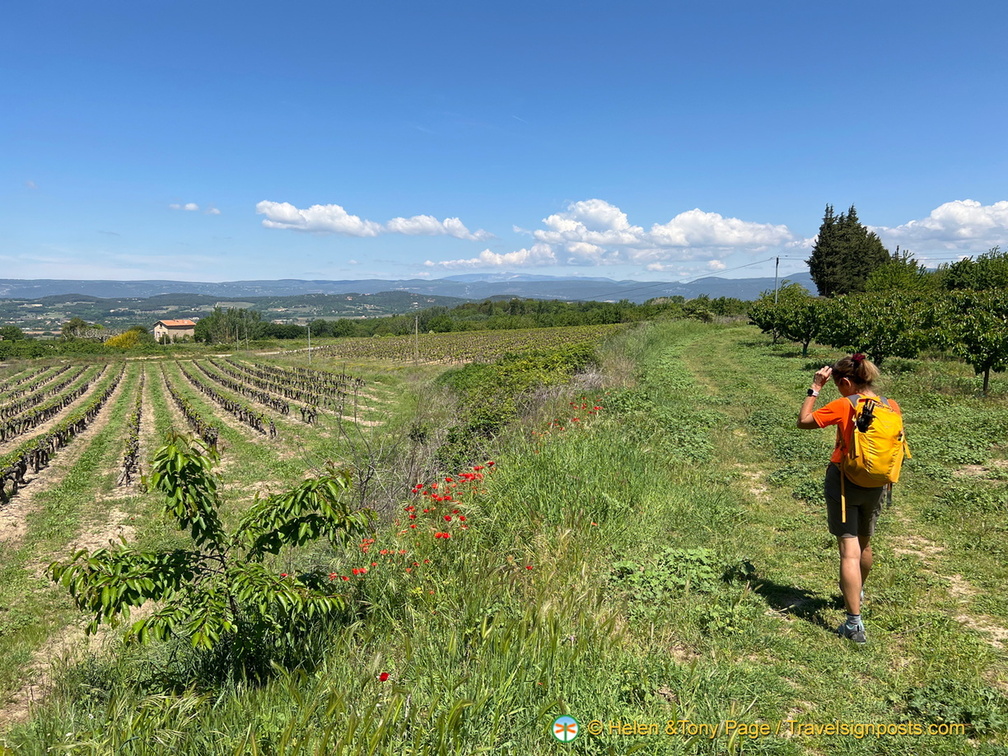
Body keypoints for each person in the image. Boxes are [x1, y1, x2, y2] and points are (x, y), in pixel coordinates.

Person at [797, 353, 901, 645]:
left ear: (845, 382)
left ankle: (854, 625)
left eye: (838, 386)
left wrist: (815, 389)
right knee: (864, 545)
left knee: (849, 551)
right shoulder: (891, 406)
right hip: (878, 483)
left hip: (844, 481)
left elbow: (804, 421)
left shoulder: (846, 404)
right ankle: (857, 591)